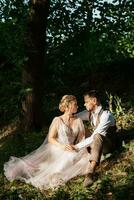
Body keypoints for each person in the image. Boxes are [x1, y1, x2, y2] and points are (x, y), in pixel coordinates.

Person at [4, 95, 90, 190]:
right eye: (75, 104)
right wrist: (62, 146)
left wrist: (75, 147)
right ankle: (54, 175)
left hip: (71, 148)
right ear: (68, 106)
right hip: (57, 147)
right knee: (60, 159)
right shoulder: (57, 120)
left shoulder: (78, 121)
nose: (77, 106)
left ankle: (56, 174)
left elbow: (81, 139)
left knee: (78, 156)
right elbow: (51, 138)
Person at [76, 90, 116, 187]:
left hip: (108, 145)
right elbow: (73, 117)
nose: (84, 104)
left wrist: (76, 146)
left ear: (94, 101)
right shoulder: (89, 113)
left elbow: (95, 136)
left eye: (86, 102)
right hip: (95, 143)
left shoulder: (106, 115)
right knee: (79, 125)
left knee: (97, 136)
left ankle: (90, 173)